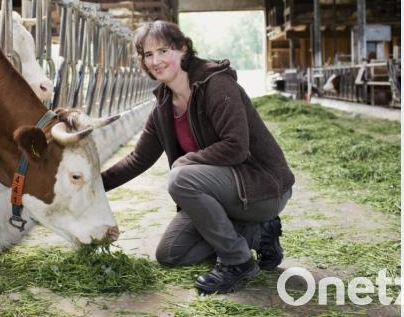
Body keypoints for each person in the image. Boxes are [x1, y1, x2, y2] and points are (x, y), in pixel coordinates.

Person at [101, 20, 295, 294]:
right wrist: (92, 185)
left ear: (182, 49)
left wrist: (187, 161)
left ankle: (237, 261)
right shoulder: (163, 107)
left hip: (261, 188)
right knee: (171, 253)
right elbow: (137, 159)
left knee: (181, 178)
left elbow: (236, 147)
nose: (155, 61)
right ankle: (259, 233)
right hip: (225, 194)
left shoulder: (216, 85)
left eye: (163, 51)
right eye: (148, 54)